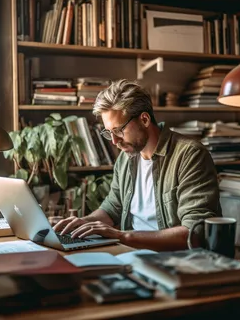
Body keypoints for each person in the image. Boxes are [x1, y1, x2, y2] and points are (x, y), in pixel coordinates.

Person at [54, 79, 222, 251]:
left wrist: (122, 236)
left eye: (119, 130)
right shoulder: (126, 158)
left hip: (174, 259)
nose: (114, 141)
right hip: (131, 252)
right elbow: (112, 207)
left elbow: (194, 232)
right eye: (108, 132)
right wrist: (83, 223)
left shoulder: (190, 155)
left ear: (144, 119)